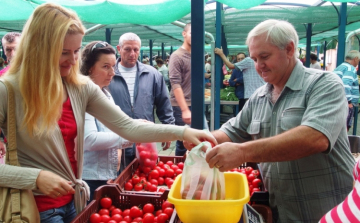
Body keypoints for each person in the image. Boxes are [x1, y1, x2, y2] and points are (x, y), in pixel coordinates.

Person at [0, 3, 217, 223]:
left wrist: (182, 132)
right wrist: (34, 178)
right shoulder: (7, 90)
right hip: (33, 208)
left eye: (76, 51)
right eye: (64, 52)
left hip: (73, 202)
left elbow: (127, 126)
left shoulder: (79, 87)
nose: (74, 60)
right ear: (38, 48)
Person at [202, 19, 354, 222]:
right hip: (281, 212)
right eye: (254, 59)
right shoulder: (259, 97)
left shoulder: (324, 84)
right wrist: (203, 139)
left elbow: (315, 137)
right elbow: (232, 131)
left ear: (290, 49)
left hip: (327, 212)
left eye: (264, 57)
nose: (258, 66)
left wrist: (242, 152)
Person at [108, 33, 175, 171]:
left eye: (136, 49)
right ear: (118, 49)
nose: (132, 53)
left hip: (144, 139)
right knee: (117, 179)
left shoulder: (152, 74)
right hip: (114, 138)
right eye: (127, 49)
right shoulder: (109, 74)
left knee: (143, 176)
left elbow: (163, 103)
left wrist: (168, 129)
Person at [80, 41, 134, 202]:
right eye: (105, 67)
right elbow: (89, 140)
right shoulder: (83, 96)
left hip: (106, 174)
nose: (112, 72)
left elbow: (121, 122)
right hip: (90, 178)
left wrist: (140, 125)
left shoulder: (105, 93)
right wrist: (130, 137)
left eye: (113, 66)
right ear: (90, 68)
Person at [168, 23, 209, 156]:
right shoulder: (177, 56)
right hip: (181, 106)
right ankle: (179, 171)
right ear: (184, 34)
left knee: (202, 140)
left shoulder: (198, 55)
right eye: (192, 33)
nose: (196, 37)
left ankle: (196, 171)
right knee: (184, 143)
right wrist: (184, 109)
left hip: (195, 105)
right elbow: (175, 84)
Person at [333, 50, 360, 131]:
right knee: (344, 129)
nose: (358, 62)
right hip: (344, 103)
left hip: (337, 100)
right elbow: (345, 85)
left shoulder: (340, 66)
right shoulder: (350, 69)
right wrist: (348, 101)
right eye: (358, 60)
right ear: (355, 58)